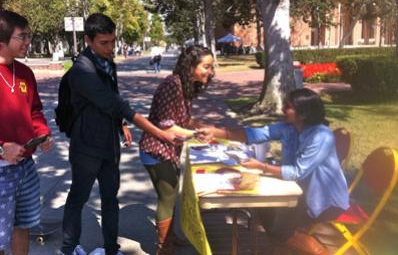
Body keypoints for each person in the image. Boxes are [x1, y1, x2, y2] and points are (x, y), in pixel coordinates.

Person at [60, 13, 177, 255]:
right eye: (104, 43)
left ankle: (111, 249)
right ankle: (69, 248)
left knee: (110, 199)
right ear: (88, 40)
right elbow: (113, 102)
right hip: (86, 147)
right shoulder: (81, 69)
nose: (111, 47)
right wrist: (158, 133)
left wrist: (121, 125)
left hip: (109, 145)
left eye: (113, 41)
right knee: (78, 198)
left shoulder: (107, 62)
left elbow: (113, 100)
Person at [199, 88, 349, 254]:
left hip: (324, 201)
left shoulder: (321, 136)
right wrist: (217, 132)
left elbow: (297, 172)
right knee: (265, 210)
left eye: (288, 107)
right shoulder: (288, 127)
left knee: (279, 228)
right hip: (297, 193)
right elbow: (255, 134)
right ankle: (282, 247)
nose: (283, 109)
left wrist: (261, 166)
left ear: (303, 114)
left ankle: (322, 252)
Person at [139, 45, 215, 254]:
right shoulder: (172, 85)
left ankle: (170, 237)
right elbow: (166, 124)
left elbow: (184, 118)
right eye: (206, 67)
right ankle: (163, 247)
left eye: (211, 67)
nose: (210, 71)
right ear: (191, 65)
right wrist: (196, 135)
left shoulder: (186, 85)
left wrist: (200, 126)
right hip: (156, 150)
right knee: (168, 196)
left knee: (170, 195)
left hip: (169, 150)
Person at [0, 10, 52, 255]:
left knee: (23, 225)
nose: (28, 42)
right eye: (22, 36)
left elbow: (35, 110)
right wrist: (2, 148)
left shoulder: (25, 73)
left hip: (25, 167)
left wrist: (42, 132)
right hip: (1, 171)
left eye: (29, 35)